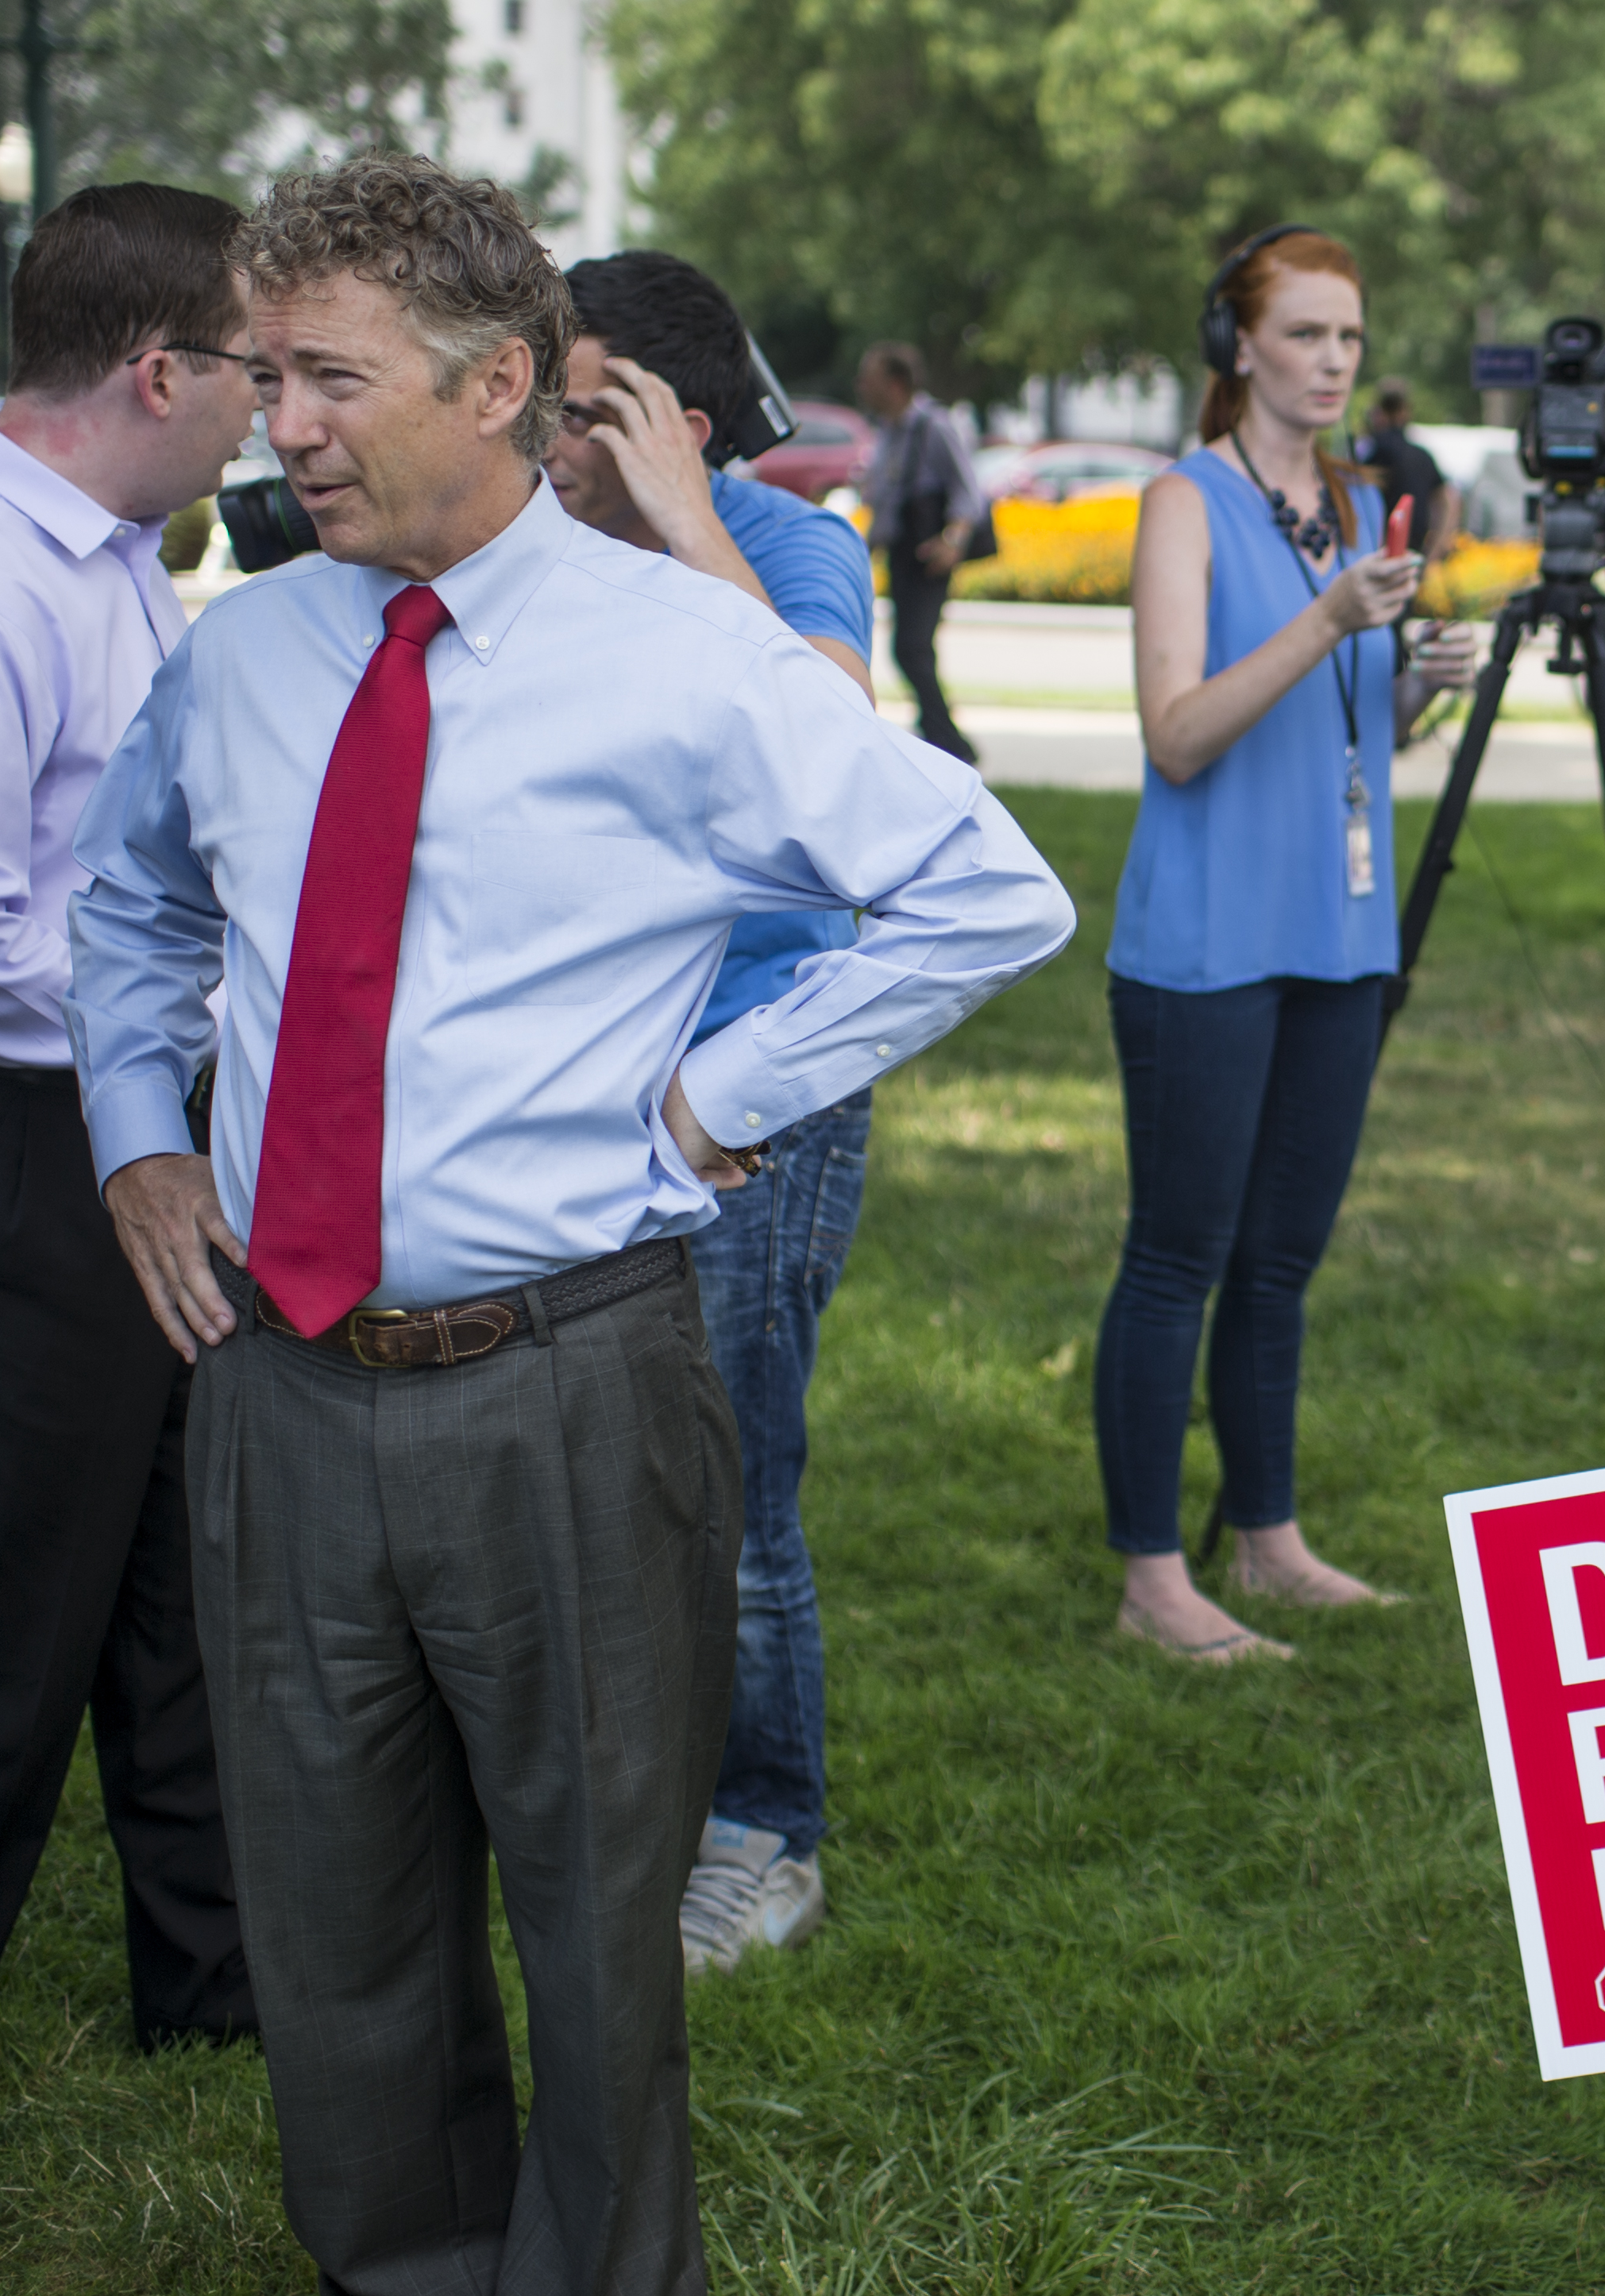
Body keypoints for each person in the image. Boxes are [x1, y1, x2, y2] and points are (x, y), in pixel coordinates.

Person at [65, 154, 1073, 2294]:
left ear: (498, 380)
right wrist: (140, 1132)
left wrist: (727, 1095)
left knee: (599, 1922)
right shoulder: (246, 661)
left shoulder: (683, 661)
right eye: (267, 376)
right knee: (333, 1923)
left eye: (331, 378)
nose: (285, 424)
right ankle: (404, 2265)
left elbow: (988, 888)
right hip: (273, 1384)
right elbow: (134, 903)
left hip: (569, 1379)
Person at [550, 248, 884, 1977]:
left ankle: (763, 1829)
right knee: (600, 1455)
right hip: (599, 1082)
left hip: (762, 1086)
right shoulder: (552, 556)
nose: (540, 428)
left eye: (578, 400)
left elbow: (841, 760)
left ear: (671, 425)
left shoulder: (783, 545)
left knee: (733, 1472)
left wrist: (691, 518)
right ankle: (625, 1789)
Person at [0, 181, 258, 2062]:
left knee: (180, 1594)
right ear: (158, 369)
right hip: (29, 1149)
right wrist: (175, 1032)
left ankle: (213, 1998)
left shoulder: (117, 546)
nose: (277, 410)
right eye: (257, 367)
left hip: (143, 1128)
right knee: (5, 1621)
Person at [1096, 226, 1476, 1663]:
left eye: (1350, 340)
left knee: (1278, 1265)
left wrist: (1415, 682)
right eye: (1305, 334)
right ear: (1234, 345)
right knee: (1176, 1258)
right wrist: (1331, 622)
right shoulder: (1183, 502)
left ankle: (1266, 1539)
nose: (1331, 363)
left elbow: (1353, 735)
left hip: (1337, 936)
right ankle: (1150, 1577)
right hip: (1205, 943)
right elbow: (1179, 734)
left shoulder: (1365, 502)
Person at [855, 338, 982, 762]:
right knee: (909, 649)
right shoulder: (888, 431)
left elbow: (969, 492)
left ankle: (950, 746)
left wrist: (953, 541)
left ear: (894, 384)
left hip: (929, 555)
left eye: (869, 377)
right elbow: (886, 498)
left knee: (912, 647)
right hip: (900, 552)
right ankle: (942, 740)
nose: (862, 386)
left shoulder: (935, 426)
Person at [1350, 378, 1448, 554]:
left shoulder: (1374, 451)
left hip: (1381, 553)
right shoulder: (1422, 455)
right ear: (1406, 412)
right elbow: (1448, 501)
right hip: (1414, 553)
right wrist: (1434, 550)